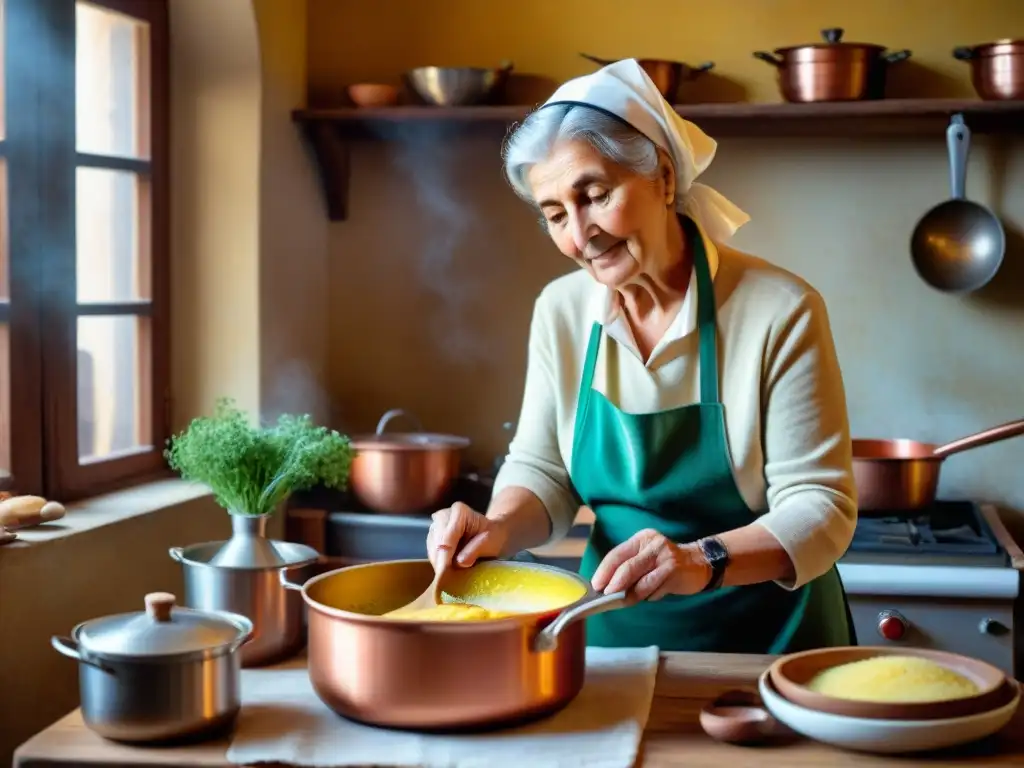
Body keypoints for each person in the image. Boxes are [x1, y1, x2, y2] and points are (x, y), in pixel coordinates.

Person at [426, 59, 858, 653]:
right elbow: (543, 471)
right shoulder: (561, 310)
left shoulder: (780, 310)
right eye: (555, 215)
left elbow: (821, 506)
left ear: (662, 176)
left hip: (767, 647)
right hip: (610, 639)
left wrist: (698, 559)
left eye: (596, 196)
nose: (580, 236)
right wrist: (496, 527)